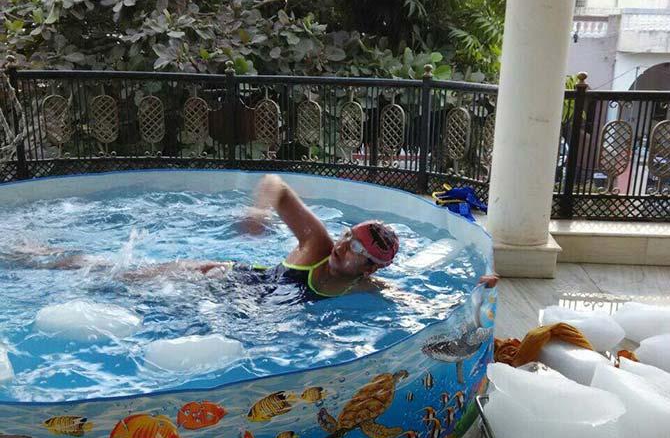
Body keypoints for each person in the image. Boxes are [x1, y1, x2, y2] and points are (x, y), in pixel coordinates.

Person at [9, 175, 400, 302]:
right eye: (348, 236)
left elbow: (415, 305)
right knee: (106, 274)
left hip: (235, 312)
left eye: (356, 250)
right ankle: (30, 254)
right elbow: (275, 184)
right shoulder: (317, 247)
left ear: (368, 268)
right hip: (209, 277)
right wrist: (258, 212)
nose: (342, 246)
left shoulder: (364, 287)